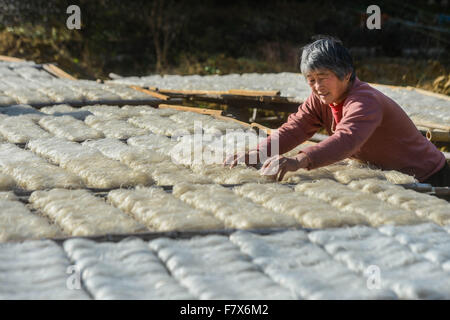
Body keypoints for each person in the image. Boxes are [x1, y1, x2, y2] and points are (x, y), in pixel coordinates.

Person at [224, 36, 450, 187]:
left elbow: (347, 140)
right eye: (310, 79)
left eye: (323, 77)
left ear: (347, 74)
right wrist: (259, 152)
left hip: (429, 177)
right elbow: (295, 129)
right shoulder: (320, 99)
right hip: (391, 176)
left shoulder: (365, 101)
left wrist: (300, 161)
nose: (316, 86)